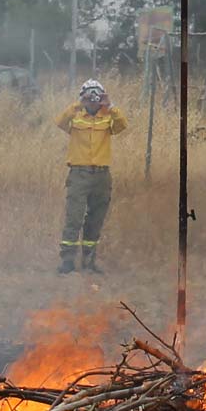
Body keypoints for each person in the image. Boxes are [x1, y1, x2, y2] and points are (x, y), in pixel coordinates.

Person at [55, 78, 127, 274]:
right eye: (90, 95)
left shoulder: (107, 117)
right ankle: (67, 261)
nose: (94, 99)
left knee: (96, 219)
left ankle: (89, 261)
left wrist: (110, 104)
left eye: (97, 95)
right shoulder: (77, 116)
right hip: (79, 174)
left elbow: (122, 125)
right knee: (74, 218)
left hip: (102, 176)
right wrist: (80, 103)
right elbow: (60, 121)